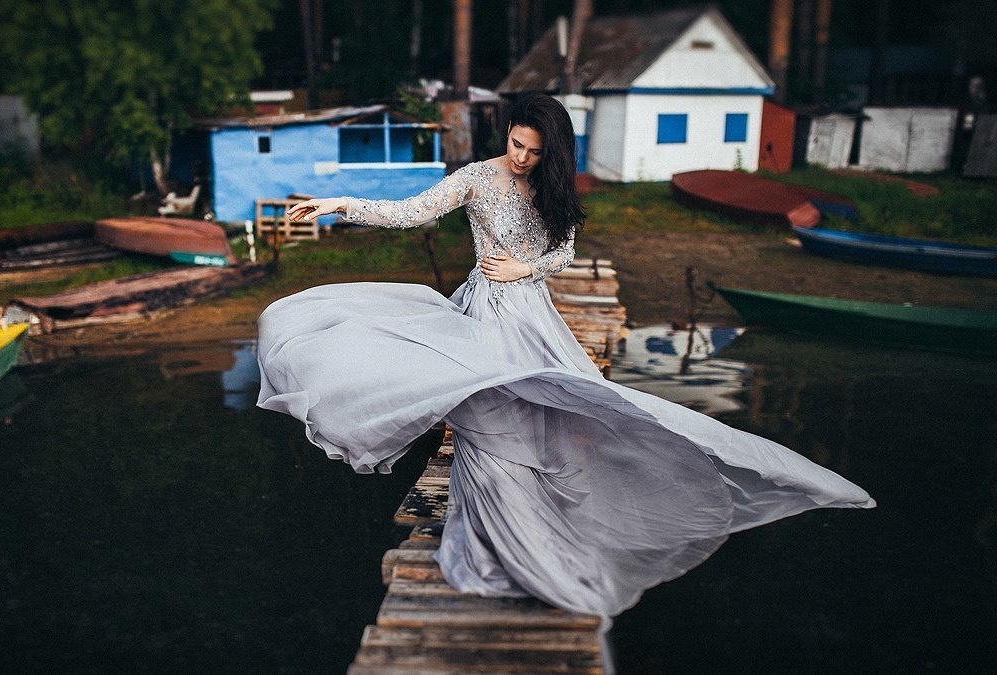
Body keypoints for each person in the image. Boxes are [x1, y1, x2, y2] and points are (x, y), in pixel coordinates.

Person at [256, 93, 873, 664]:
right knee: (487, 424)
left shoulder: (552, 186)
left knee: (563, 416)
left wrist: (527, 264)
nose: (522, 158)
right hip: (483, 314)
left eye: (534, 150)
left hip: (533, 316)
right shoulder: (477, 177)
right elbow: (410, 211)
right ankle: (497, 550)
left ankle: (559, 536)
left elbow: (563, 253)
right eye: (517, 144)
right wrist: (343, 203)